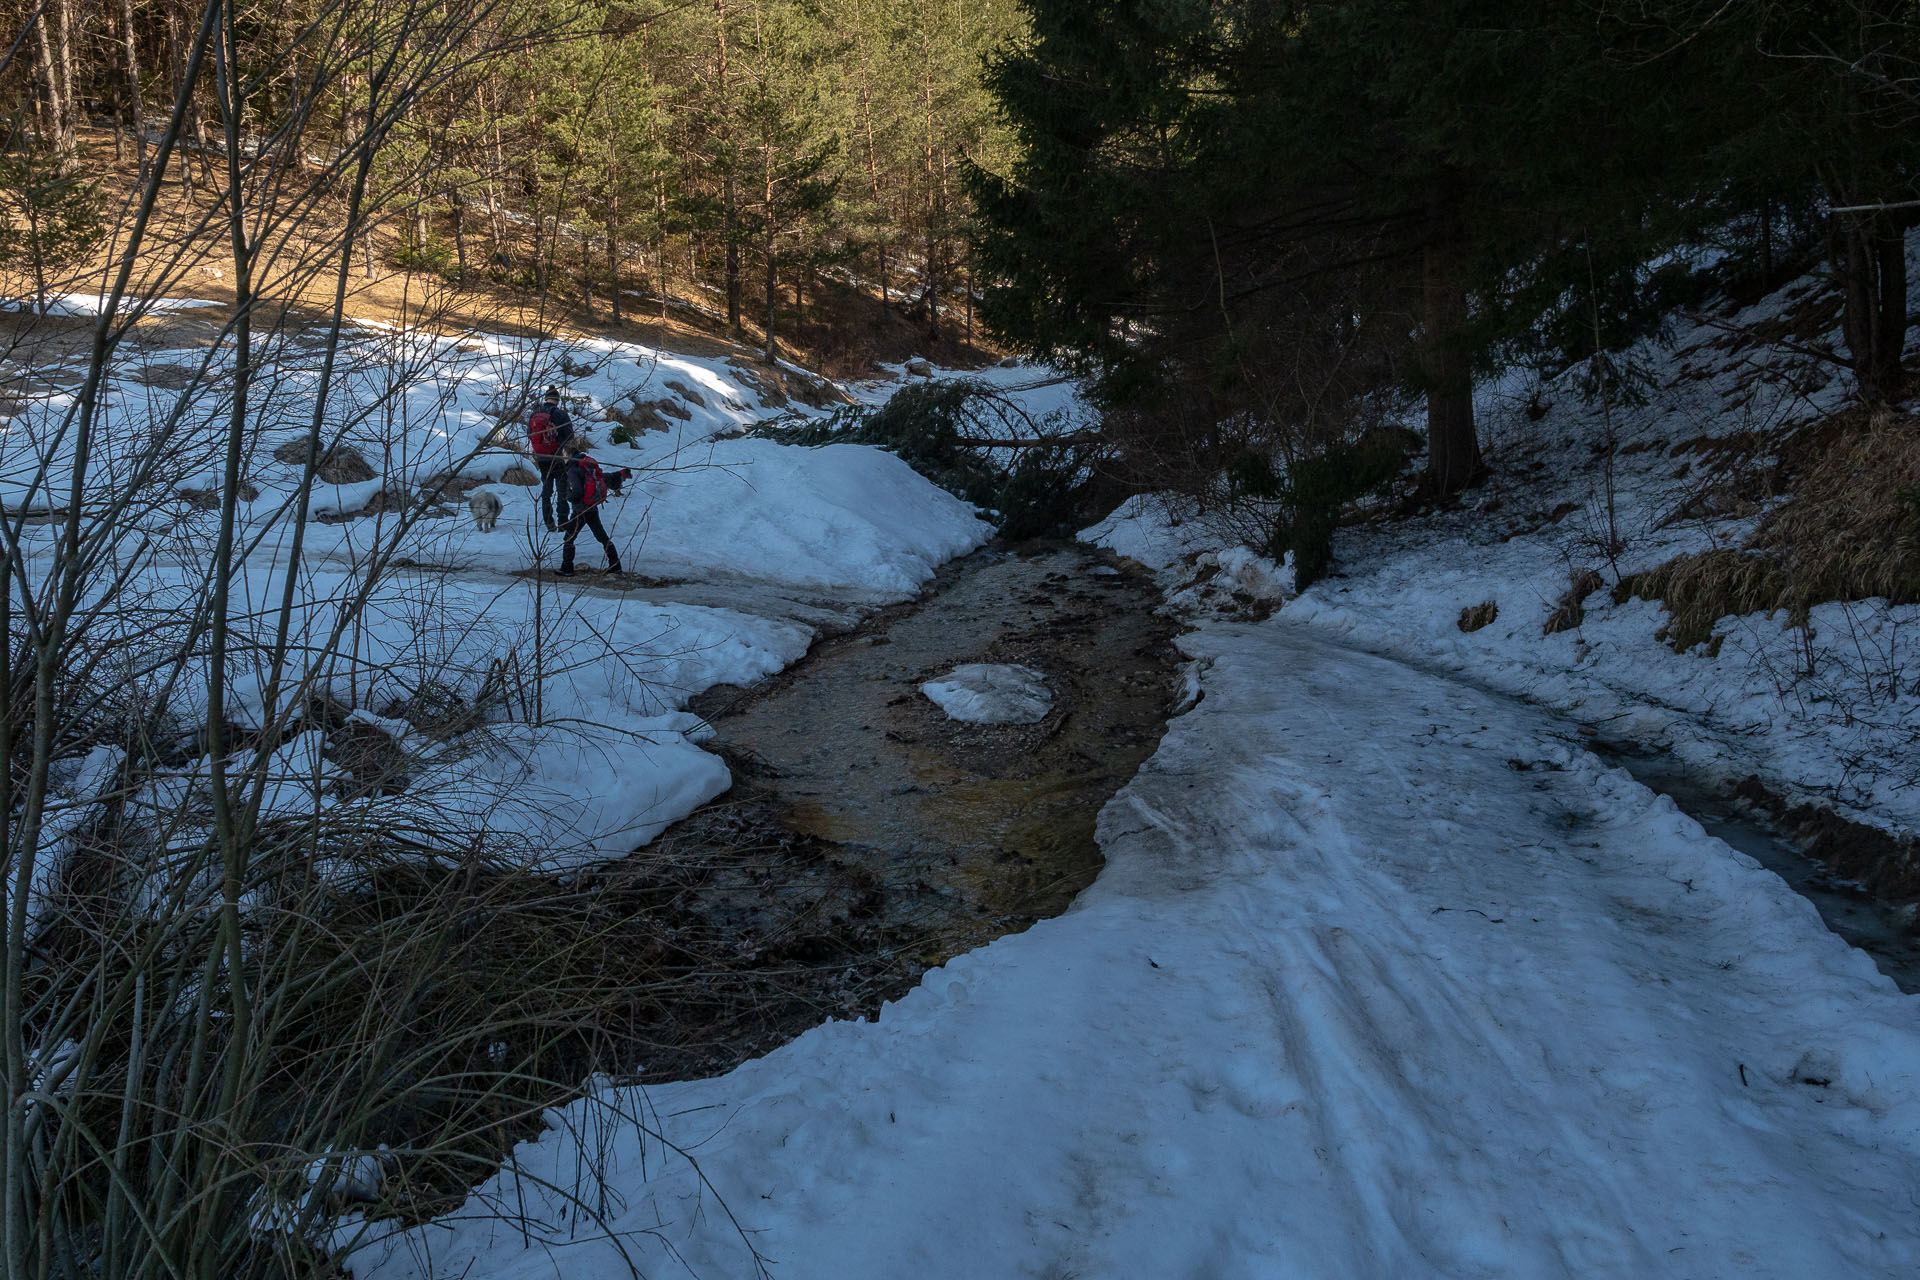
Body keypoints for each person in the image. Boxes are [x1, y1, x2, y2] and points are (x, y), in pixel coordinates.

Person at [557, 442, 623, 576]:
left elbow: (576, 490)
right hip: (591, 506)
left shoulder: (573, 469)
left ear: (569, 454)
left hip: (580, 508)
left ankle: (567, 568)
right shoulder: (586, 464)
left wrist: (569, 497)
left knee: (569, 538)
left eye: (563, 454)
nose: (562, 457)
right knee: (602, 536)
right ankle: (615, 565)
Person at [527, 386, 575, 531]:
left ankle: (549, 522)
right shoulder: (560, 414)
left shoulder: (535, 414)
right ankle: (563, 523)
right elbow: (569, 435)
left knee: (546, 491)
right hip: (558, 456)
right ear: (557, 400)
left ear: (545, 399)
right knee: (562, 490)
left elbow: (530, 434)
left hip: (542, 458)